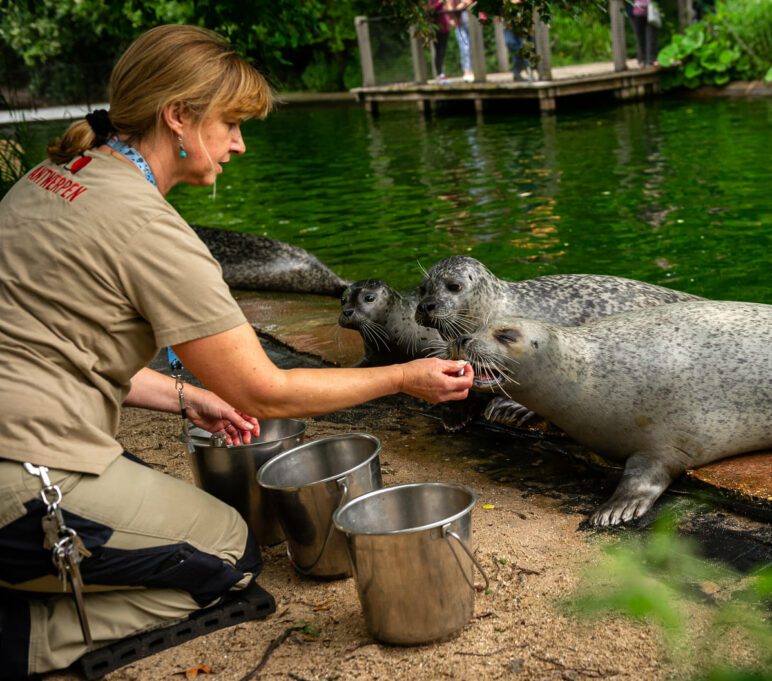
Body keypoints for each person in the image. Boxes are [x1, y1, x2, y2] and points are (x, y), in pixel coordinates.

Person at [0, 24, 474, 677]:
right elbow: (264, 389)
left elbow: (61, 352)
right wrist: (403, 377)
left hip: (20, 445)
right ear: (177, 117)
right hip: (20, 480)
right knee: (230, 552)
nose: (240, 143)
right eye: (229, 123)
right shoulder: (148, 228)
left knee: (135, 488)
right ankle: (25, 635)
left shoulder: (55, 176)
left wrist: (186, 394)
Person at [428, 0, 454, 84]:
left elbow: (446, 10)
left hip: (445, 29)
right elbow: (429, 10)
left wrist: (450, 19)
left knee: (442, 52)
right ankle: (439, 75)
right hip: (437, 30)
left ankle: (441, 75)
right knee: (439, 52)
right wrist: (440, 2)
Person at [628, 0, 660, 67]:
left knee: (652, 37)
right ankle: (642, 60)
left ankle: (652, 60)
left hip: (651, 12)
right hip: (635, 13)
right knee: (639, 38)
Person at [450, 0, 476, 82]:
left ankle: (475, 71)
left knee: (474, 47)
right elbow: (452, 9)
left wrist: (466, 3)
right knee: (464, 48)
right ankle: (467, 71)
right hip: (460, 24)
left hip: (473, 22)